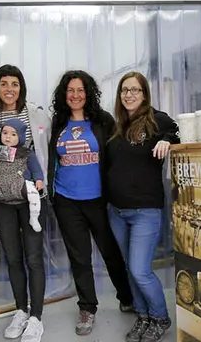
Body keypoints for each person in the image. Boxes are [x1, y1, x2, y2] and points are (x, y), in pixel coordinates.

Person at [47, 70, 134, 336]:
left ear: (88, 93)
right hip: (66, 201)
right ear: (64, 94)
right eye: (70, 90)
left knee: (111, 252)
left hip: (98, 200)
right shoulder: (58, 123)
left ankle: (127, 297)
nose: (75, 95)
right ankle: (87, 307)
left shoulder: (102, 120)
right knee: (79, 257)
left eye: (80, 90)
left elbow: (123, 144)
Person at [0, 64, 51, 342]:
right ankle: (21, 310)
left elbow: (42, 151)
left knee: (33, 257)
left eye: (15, 83)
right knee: (13, 257)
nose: (10, 89)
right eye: (4, 83)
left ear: (22, 87)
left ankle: (36, 317)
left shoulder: (35, 114)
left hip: (30, 196)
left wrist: (41, 180)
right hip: (2, 199)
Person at [106, 72, 179, 342]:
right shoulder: (118, 126)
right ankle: (143, 315)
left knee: (140, 269)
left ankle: (160, 316)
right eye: (125, 90)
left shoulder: (156, 120)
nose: (129, 95)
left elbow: (176, 130)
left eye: (135, 90)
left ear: (145, 94)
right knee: (129, 267)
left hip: (144, 211)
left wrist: (166, 140)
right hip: (116, 211)